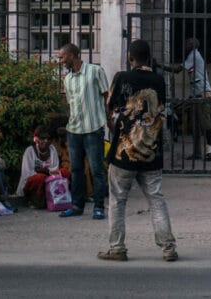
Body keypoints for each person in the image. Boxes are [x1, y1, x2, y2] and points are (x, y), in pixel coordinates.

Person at [98, 39, 178, 262]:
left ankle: (117, 248)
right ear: (149, 56)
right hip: (151, 153)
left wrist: (113, 124)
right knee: (157, 200)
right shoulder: (159, 81)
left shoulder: (122, 78)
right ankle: (168, 248)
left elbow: (110, 106)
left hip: (124, 154)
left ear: (130, 58)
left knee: (117, 201)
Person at [58, 43, 110, 220]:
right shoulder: (67, 79)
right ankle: (77, 205)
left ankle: (98, 206)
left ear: (73, 55)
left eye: (62, 57)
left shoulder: (95, 71)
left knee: (97, 169)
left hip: (93, 128)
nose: (61, 60)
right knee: (76, 170)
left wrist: (108, 120)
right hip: (74, 130)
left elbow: (106, 96)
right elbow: (69, 104)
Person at [166, 38, 211, 161]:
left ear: (193, 45)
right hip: (196, 95)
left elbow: (177, 70)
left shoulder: (194, 55)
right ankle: (197, 153)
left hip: (202, 94)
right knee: (195, 126)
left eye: (188, 43)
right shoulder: (192, 56)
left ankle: (210, 151)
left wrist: (159, 65)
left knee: (206, 125)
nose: (185, 45)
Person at [18, 126, 70, 208]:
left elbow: (55, 168)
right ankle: (34, 201)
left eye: (48, 138)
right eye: (42, 138)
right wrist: (44, 173)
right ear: (36, 139)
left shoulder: (52, 149)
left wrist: (47, 172)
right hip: (33, 183)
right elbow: (27, 173)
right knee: (40, 177)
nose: (46, 141)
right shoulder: (30, 151)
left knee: (65, 172)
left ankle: (59, 199)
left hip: (50, 179)